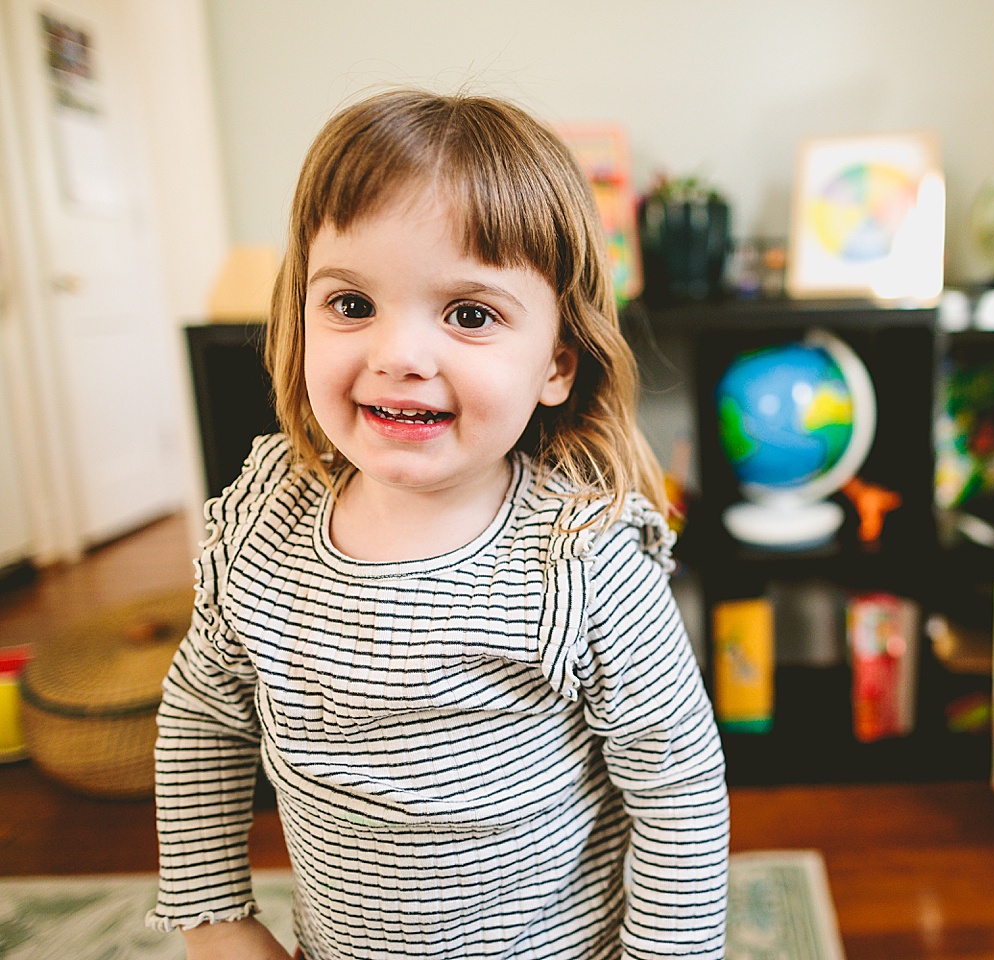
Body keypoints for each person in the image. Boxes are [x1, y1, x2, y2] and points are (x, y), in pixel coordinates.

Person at [146, 89, 729, 959]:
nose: (399, 356)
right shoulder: (264, 521)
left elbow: (677, 788)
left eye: (469, 315)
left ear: (557, 364)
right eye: (350, 305)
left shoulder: (581, 558)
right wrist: (213, 916)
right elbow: (202, 715)